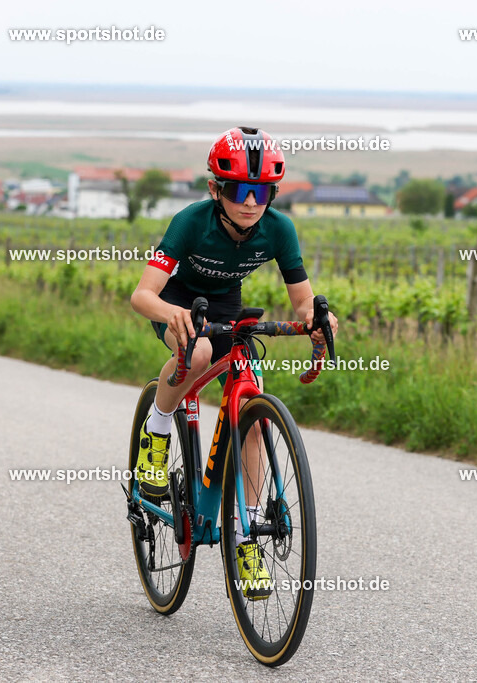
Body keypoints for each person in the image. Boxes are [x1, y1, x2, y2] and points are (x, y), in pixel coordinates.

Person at [130, 126, 338, 599]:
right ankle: (157, 431)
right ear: (214, 188)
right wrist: (172, 315)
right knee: (200, 352)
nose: (249, 202)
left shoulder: (279, 229)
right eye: (238, 190)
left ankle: (246, 539)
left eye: (261, 192)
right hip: (177, 303)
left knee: (253, 412)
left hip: (226, 307)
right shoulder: (190, 222)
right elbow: (142, 296)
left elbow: (302, 302)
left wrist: (318, 319)